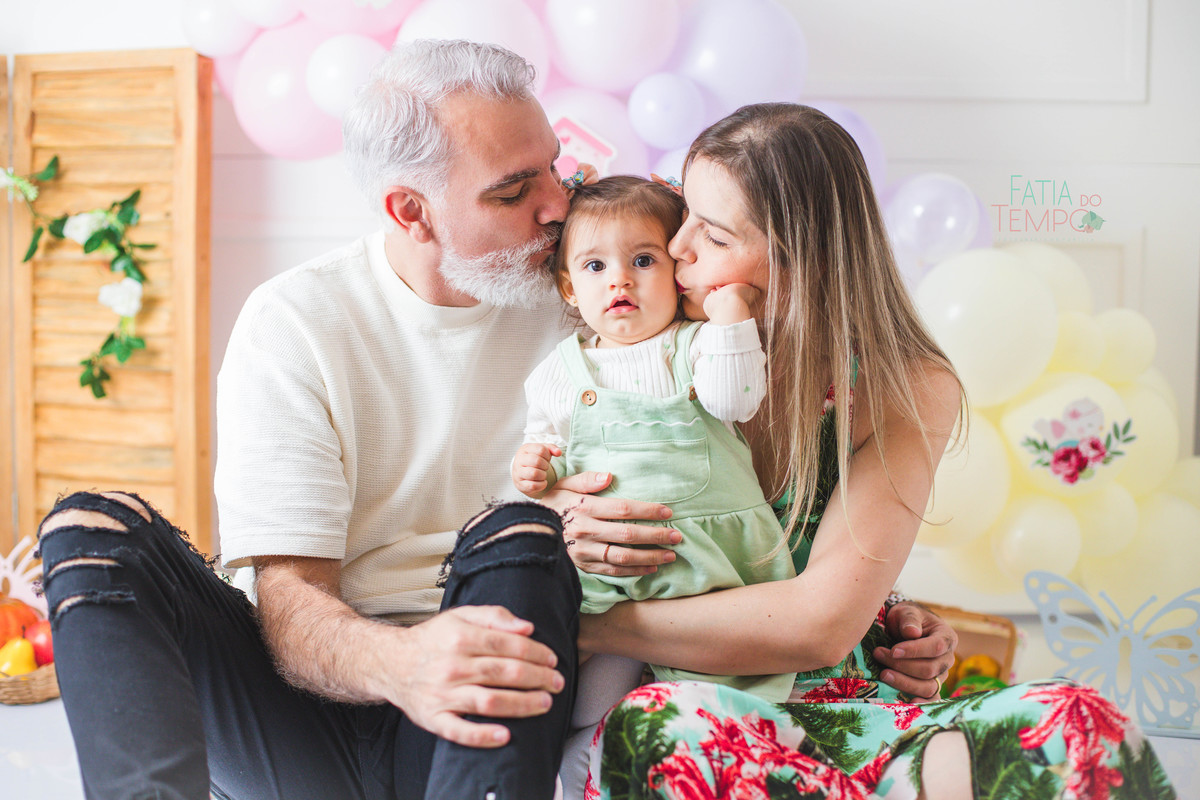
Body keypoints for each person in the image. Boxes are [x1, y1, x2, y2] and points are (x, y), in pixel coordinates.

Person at [33, 41, 959, 800]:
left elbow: (748, 442)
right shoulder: (296, 325)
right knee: (87, 524)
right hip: (320, 705)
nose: (560, 207)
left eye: (555, 168)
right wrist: (406, 663)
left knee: (521, 528)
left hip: (500, 685)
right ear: (411, 210)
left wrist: (874, 612)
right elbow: (289, 608)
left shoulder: (600, 289)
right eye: (516, 190)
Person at [577, 103, 1177, 799]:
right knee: (661, 725)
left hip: (847, 712)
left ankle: (909, 772)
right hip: (706, 708)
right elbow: (543, 467)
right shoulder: (634, 347)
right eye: (683, 215)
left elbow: (822, 625)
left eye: (711, 235)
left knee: (1079, 720)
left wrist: (602, 625)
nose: (675, 249)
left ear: (800, 258)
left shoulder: (904, 384)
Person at [510, 176, 796, 724]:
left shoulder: (696, 345)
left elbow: (735, 401)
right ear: (570, 289)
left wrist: (730, 312)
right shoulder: (559, 371)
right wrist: (535, 466)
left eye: (643, 260)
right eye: (596, 267)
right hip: (610, 566)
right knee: (586, 713)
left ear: (676, 273)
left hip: (706, 555)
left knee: (714, 708)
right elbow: (548, 444)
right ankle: (580, 763)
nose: (619, 278)